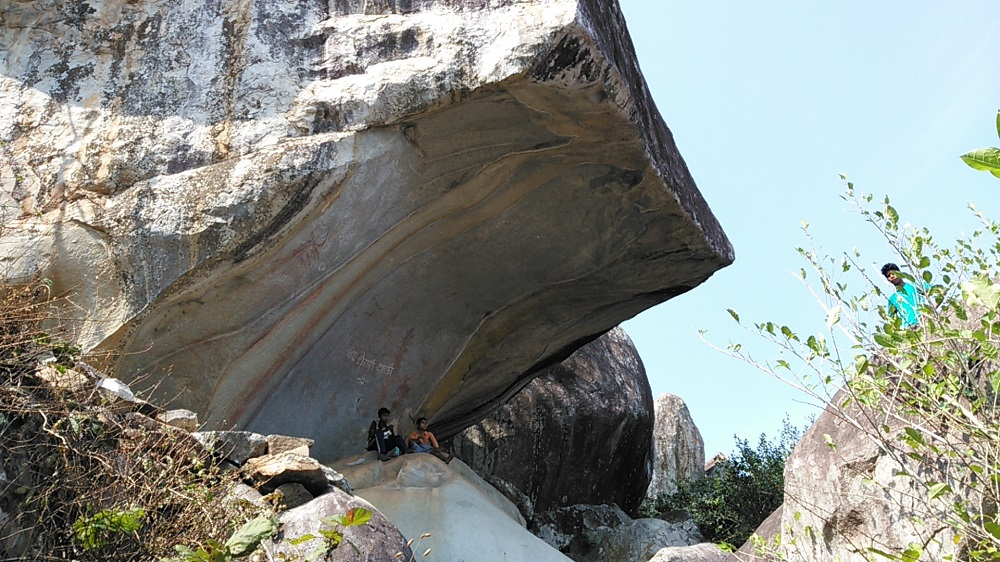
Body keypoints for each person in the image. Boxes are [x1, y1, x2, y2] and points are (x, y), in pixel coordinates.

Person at [881, 262, 925, 328]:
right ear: (888, 280)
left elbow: (939, 291)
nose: (892, 276)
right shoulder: (893, 298)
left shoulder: (914, 286)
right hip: (909, 329)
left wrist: (929, 313)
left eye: (893, 273)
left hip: (923, 322)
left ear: (899, 273)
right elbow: (891, 320)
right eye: (888, 276)